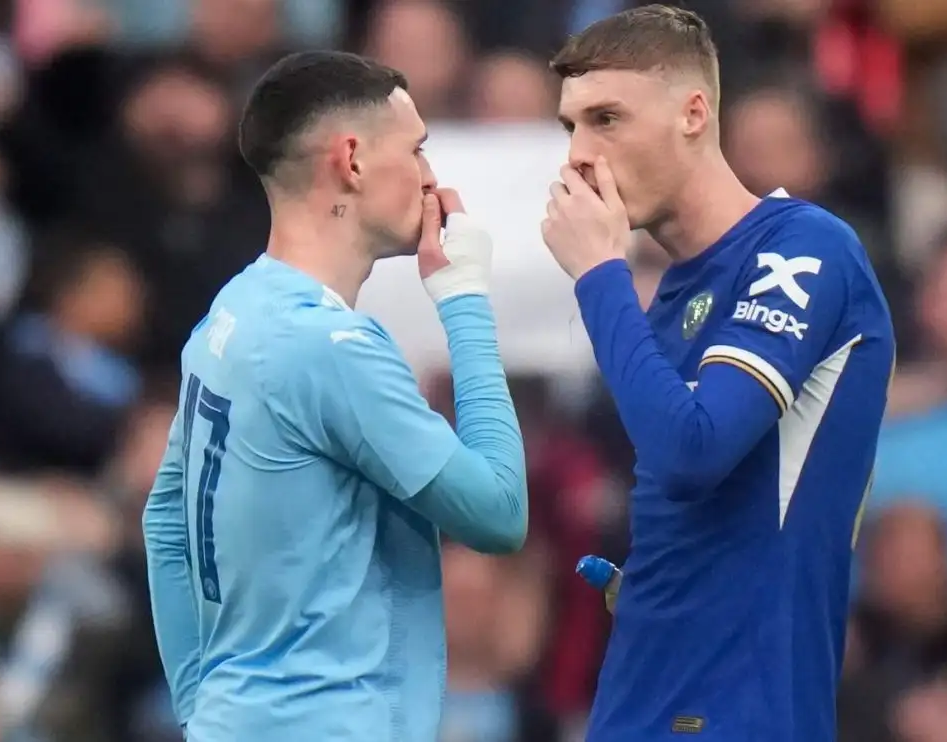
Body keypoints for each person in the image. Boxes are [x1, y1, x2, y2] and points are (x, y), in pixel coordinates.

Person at [141, 51, 528, 741]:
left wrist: (205, 710)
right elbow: (498, 512)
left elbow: (164, 524)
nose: (432, 176)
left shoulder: (230, 315)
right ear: (351, 160)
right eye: (417, 149)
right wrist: (465, 299)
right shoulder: (330, 349)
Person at [539, 6, 895, 742]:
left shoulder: (802, 249)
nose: (578, 154)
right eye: (569, 126)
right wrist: (659, 588)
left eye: (606, 119)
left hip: (740, 709)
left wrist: (602, 273)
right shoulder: (676, 293)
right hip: (644, 694)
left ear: (694, 113)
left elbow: (695, 449)